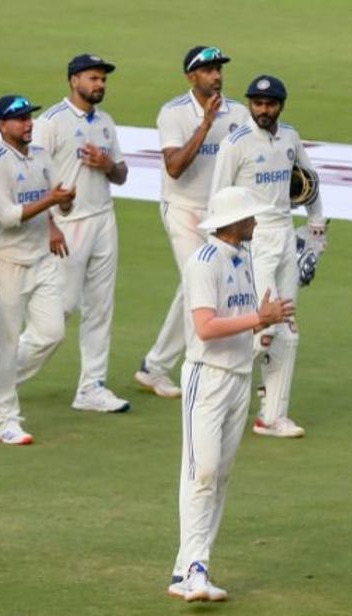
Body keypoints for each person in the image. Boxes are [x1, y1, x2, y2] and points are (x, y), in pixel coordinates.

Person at [167, 186, 295, 602]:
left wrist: (266, 322)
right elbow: (205, 327)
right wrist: (259, 318)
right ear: (233, 222)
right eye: (250, 217)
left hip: (239, 375)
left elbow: (242, 316)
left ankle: (189, 567)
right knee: (202, 471)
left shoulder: (244, 258)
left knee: (218, 475)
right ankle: (195, 569)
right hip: (207, 378)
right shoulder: (204, 262)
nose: (255, 222)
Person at [210, 75, 326, 438]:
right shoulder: (235, 144)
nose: (263, 110)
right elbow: (217, 201)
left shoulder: (289, 137)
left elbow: (311, 183)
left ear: (281, 105)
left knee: (287, 332)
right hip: (251, 240)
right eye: (257, 103)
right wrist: (224, 251)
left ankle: (272, 416)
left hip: (285, 237)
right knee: (264, 328)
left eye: (270, 104)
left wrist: (316, 235)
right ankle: (214, 389)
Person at [133, 45, 250, 399]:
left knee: (192, 287)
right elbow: (174, 167)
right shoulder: (173, 113)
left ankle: (154, 365)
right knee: (198, 280)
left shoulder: (239, 113)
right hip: (182, 208)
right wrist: (205, 125)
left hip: (221, 215)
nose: (216, 76)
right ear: (191, 76)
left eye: (219, 69)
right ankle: (197, 369)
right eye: (208, 70)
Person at [31, 53, 130, 413]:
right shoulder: (51, 122)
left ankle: (91, 387)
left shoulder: (105, 122)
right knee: (61, 309)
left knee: (100, 308)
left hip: (103, 218)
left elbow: (121, 175)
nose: (100, 84)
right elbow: (33, 177)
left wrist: (107, 164)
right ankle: (2, 377)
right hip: (67, 224)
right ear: (74, 80)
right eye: (93, 78)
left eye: (103, 79)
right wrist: (49, 225)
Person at [0, 95, 75, 445]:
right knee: (4, 341)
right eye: (19, 119)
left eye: (29, 117)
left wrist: (64, 204)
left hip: (40, 259)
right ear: (2, 126)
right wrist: (50, 201)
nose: (28, 123)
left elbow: (58, 203)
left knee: (52, 332)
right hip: (4, 262)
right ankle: (3, 421)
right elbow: (7, 217)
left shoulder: (41, 156)